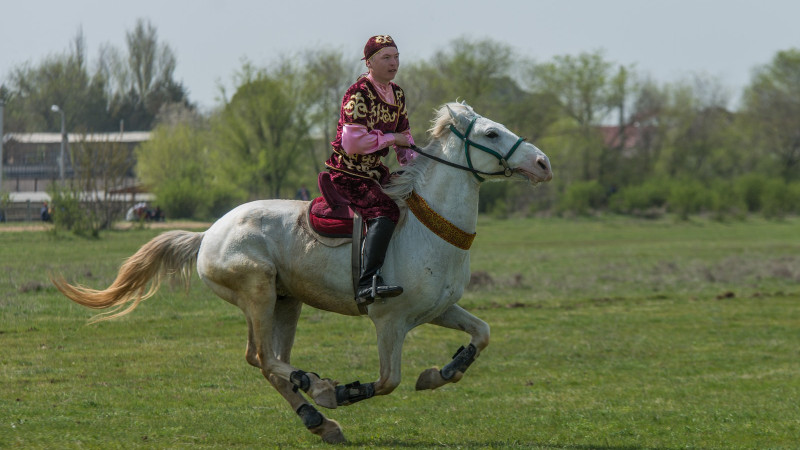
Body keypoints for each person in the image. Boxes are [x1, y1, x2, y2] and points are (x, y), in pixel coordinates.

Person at [324, 34, 416, 306]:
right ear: (369, 62)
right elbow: (352, 143)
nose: (394, 62)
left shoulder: (397, 93)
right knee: (386, 210)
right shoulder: (358, 93)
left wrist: (415, 167)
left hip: (375, 172)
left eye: (396, 56)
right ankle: (368, 282)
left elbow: (405, 135)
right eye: (386, 57)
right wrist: (392, 140)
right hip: (349, 173)